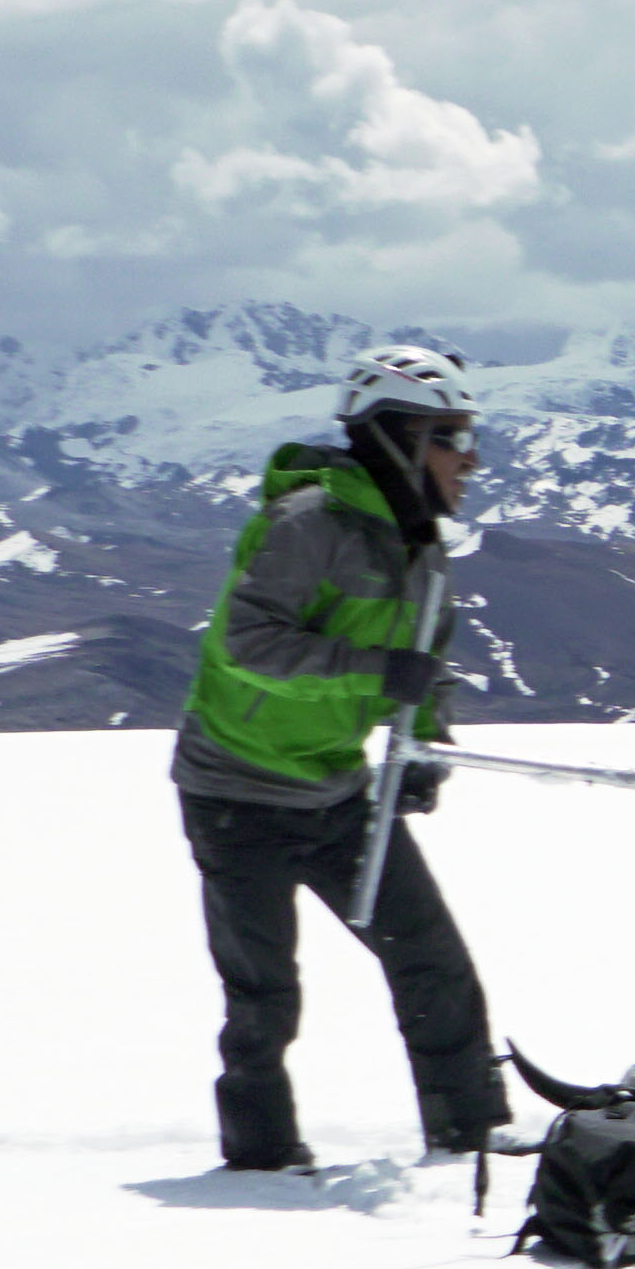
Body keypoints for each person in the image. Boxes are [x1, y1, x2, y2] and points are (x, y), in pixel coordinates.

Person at [170, 341, 515, 1175]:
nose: (468, 459)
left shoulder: (419, 542)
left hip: (335, 789)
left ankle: (473, 1138)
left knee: (431, 959)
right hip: (235, 793)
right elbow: (248, 644)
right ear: (400, 435)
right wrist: (369, 672)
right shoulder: (307, 525)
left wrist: (426, 744)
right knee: (264, 995)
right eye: (452, 436)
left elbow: (426, 657)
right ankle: (261, 1161)